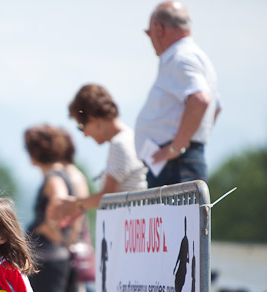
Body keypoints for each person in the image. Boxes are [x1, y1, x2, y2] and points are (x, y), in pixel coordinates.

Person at [135, 1, 221, 188]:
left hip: (176, 166)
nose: (150, 38)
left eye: (149, 33)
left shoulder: (180, 57)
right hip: (181, 161)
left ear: (159, 29)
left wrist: (176, 147)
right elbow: (216, 107)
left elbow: (200, 100)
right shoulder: (194, 56)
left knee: (173, 209)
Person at [24, 125, 88, 292]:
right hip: (55, 255)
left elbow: (59, 199)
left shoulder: (53, 177)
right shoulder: (64, 173)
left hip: (47, 256)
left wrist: (50, 226)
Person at [48, 84, 147, 220]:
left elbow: (108, 196)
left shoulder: (119, 144)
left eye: (81, 127)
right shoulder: (129, 138)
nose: (85, 134)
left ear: (94, 120)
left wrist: (75, 204)